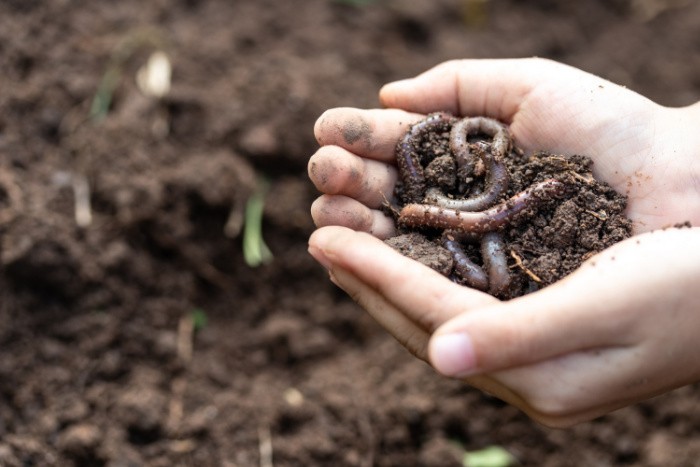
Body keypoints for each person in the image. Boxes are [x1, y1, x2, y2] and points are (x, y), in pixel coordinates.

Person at [306, 58, 700, 428]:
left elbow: (485, 218)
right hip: (462, 211)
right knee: (483, 223)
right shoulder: (458, 193)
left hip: (468, 214)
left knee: (485, 226)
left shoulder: (501, 192)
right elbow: (481, 216)